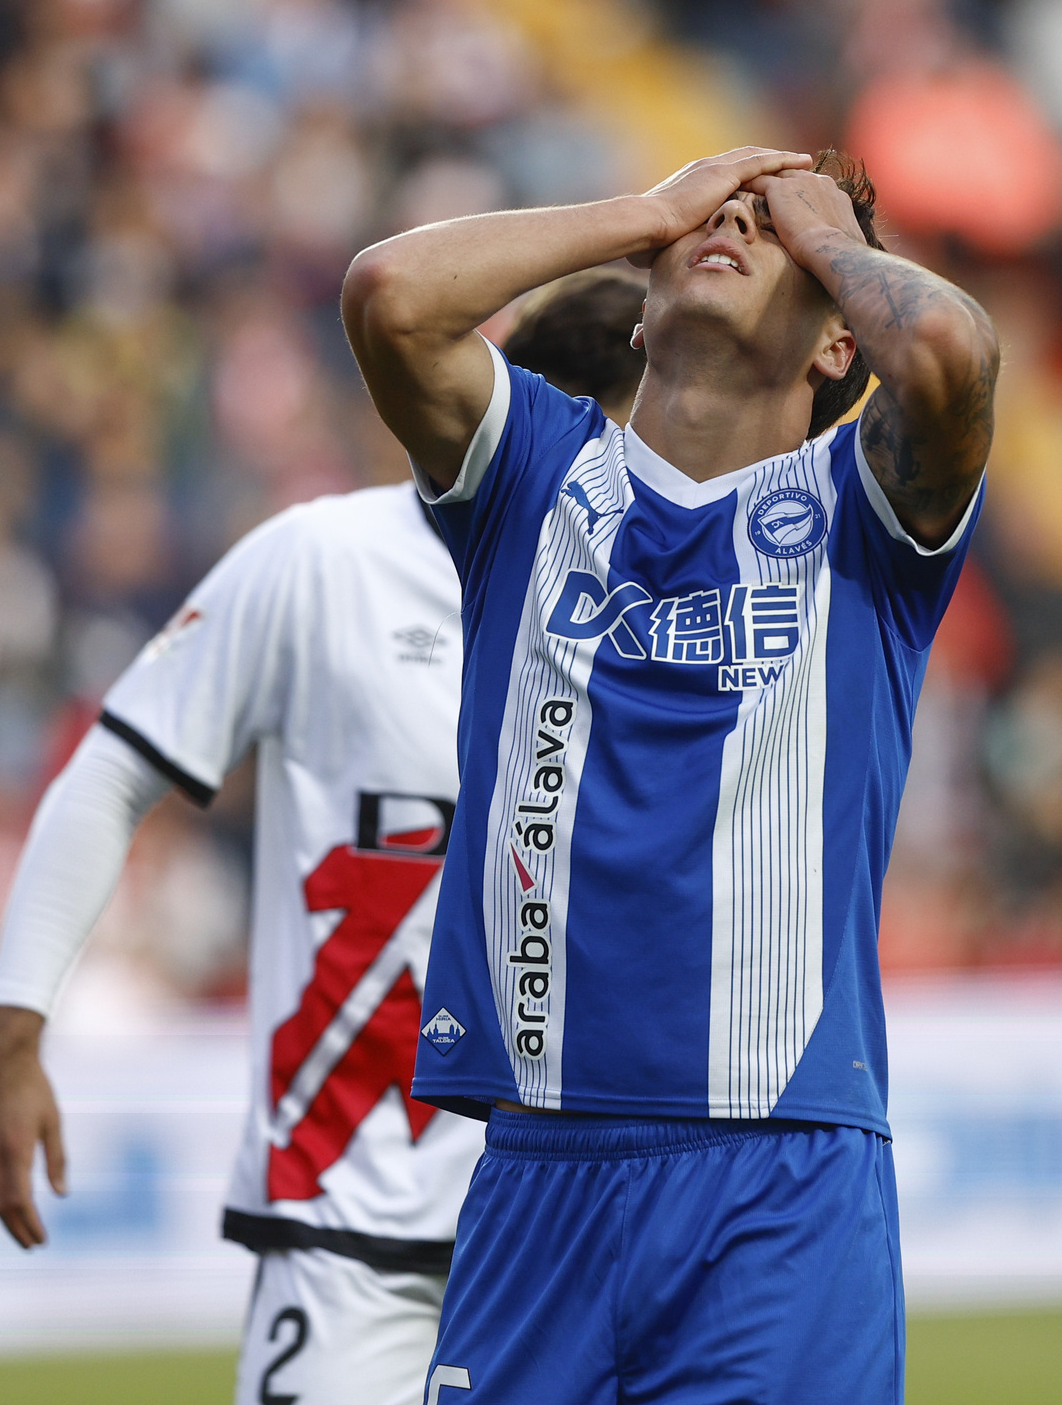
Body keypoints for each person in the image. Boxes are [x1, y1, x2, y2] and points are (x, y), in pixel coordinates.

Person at [340, 146, 997, 1405]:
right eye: (719, 213)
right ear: (639, 307)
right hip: (538, 1172)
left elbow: (953, 356)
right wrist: (643, 215)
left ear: (836, 345)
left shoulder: (867, 520)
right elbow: (389, 293)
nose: (736, 227)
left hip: (778, 1175)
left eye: (777, 234)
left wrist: (828, 231)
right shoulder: (533, 474)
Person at [0, 273, 645, 1405]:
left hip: (573, 1218)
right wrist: (11, 1027)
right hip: (350, 1216)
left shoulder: (669, 606)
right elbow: (115, 763)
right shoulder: (322, 562)